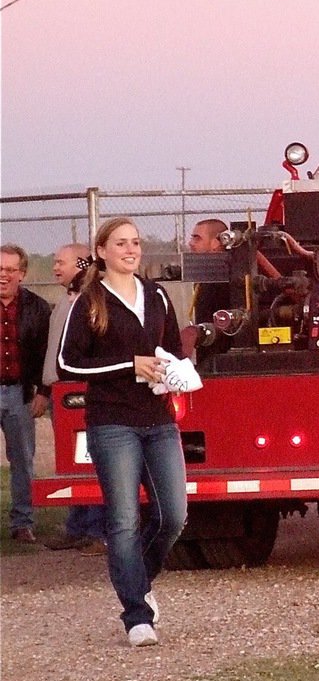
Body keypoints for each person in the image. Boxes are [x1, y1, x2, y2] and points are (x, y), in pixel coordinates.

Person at [58, 218, 188, 647]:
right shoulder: (88, 302)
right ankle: (136, 615)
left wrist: (174, 371)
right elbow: (67, 365)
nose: (131, 250)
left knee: (173, 515)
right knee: (123, 519)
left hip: (159, 418)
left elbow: (170, 348)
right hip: (112, 422)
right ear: (102, 250)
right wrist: (129, 366)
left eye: (135, 243)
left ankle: (138, 578)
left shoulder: (158, 295)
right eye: (121, 243)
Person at [40, 243, 108, 555]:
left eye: (61, 262)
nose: (55, 267)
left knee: (90, 460)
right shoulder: (68, 298)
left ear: (82, 263)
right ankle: (78, 526)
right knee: (74, 463)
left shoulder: (90, 299)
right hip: (60, 392)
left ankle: (98, 531)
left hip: (79, 391)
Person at [0, 244, 52, 544]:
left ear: (22, 273)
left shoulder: (38, 307)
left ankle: (22, 523)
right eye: (0, 269)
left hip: (21, 393)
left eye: (10, 270)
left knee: (23, 460)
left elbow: (47, 353)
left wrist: (44, 392)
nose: (3, 275)